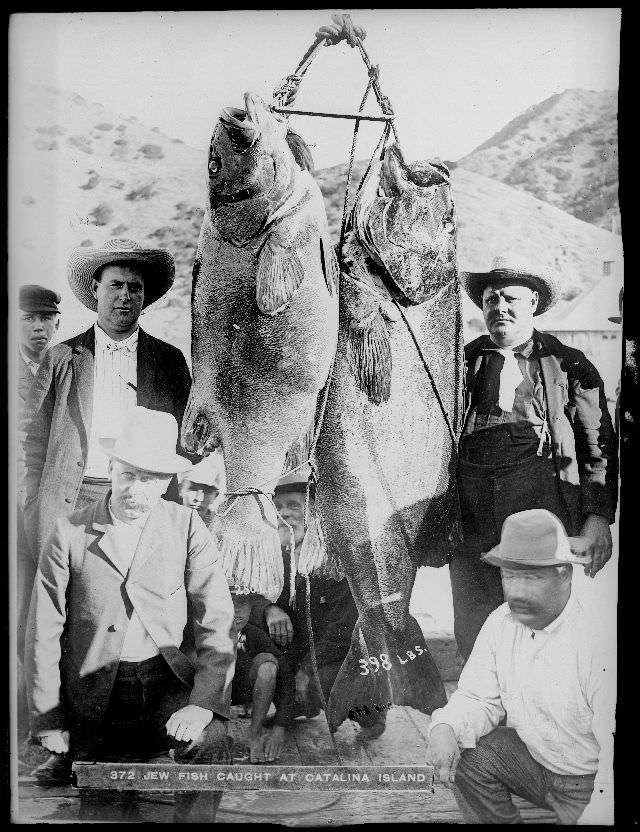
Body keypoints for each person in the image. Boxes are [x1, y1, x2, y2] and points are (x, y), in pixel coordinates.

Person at [24, 407, 236, 821]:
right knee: (106, 810)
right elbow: (43, 632)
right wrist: (49, 718)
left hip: (166, 685)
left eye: (152, 478)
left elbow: (216, 624)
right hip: (97, 698)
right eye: (129, 475)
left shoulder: (188, 526)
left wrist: (202, 704)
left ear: (168, 482)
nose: (137, 490)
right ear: (111, 469)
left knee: (211, 742)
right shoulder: (69, 533)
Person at [452, 255, 618, 658]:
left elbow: (597, 446)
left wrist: (597, 518)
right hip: (472, 516)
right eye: (491, 300)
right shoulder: (459, 363)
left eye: (510, 299)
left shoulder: (570, 365)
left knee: (542, 619)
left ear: (534, 304)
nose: (500, 308)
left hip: (542, 509)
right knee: (475, 623)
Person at [425, 509, 615, 826]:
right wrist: (445, 729)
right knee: (468, 753)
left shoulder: (598, 634)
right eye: (509, 576)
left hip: (598, 784)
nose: (517, 591)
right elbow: (476, 698)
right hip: (537, 766)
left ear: (564, 574)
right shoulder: (501, 622)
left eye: (532, 576)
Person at [22, 237, 194, 564]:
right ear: (96, 288)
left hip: (141, 503)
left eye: (135, 287)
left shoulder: (169, 360)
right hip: (70, 502)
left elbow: (187, 441)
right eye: (115, 284)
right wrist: (34, 504)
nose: (125, 296)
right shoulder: (60, 358)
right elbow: (30, 440)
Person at [250, 470, 387, 738]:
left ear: (312, 513)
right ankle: (293, 707)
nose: (285, 514)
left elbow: (344, 627)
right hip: (296, 652)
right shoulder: (269, 553)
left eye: (294, 506)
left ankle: (372, 716)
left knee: (327, 680)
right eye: (278, 507)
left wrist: (305, 670)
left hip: (337, 655)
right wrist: (268, 608)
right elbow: (245, 597)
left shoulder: (336, 557)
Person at [16, 285, 62, 748]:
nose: (37, 327)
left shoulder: (62, 366)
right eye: (29, 318)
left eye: (46, 319)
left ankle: (40, 723)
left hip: (41, 509)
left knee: (40, 613)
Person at [230, 591, 295, 763]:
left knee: (268, 666)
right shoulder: (201, 632)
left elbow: (285, 677)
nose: (237, 610)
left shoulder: (253, 633)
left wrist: (280, 726)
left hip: (241, 691)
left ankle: (254, 732)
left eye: (243, 603)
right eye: (230, 601)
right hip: (212, 695)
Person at [179, 452, 225, 523]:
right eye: (193, 489)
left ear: (215, 496)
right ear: (181, 489)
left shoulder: (217, 530)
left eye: (207, 491)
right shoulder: (165, 518)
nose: (198, 498)